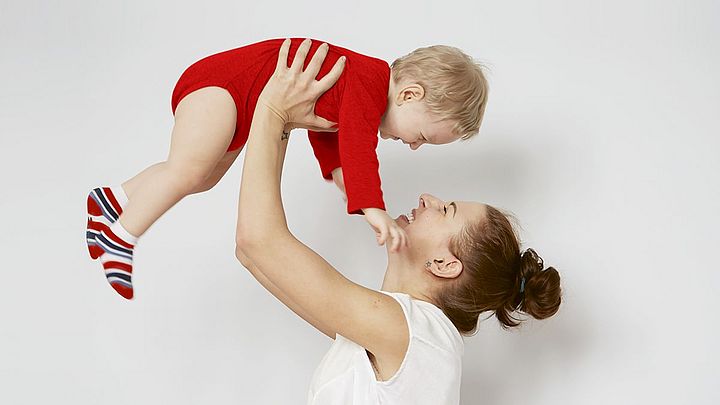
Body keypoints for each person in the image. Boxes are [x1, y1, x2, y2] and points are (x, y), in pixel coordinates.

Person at [236, 40, 561, 405]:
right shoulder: (402, 336)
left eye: (446, 210)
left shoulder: (412, 333)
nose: (427, 199)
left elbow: (258, 242)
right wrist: (280, 119)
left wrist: (273, 109)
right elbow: (254, 254)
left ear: (444, 264)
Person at [85, 38, 489, 299]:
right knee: (188, 171)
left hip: (238, 102)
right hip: (224, 87)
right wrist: (372, 205)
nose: (415, 146)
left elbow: (327, 133)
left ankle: (112, 199)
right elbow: (356, 145)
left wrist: (342, 179)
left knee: (202, 178)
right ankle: (120, 235)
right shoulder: (369, 81)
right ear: (409, 93)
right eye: (422, 135)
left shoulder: (359, 91)